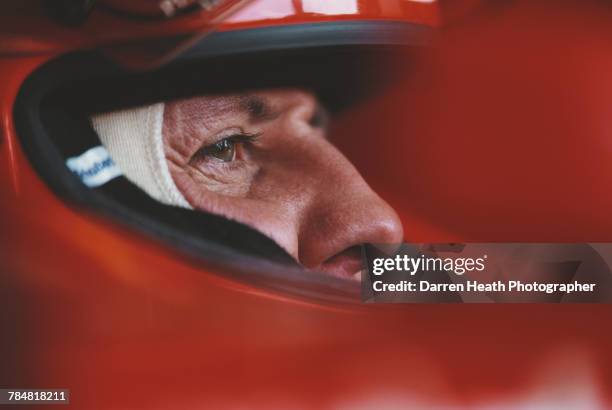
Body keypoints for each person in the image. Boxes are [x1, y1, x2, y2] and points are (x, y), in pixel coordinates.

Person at [92, 88, 403, 279]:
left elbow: (443, 278)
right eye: (223, 147)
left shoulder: (418, 276)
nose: (383, 224)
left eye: (314, 122)